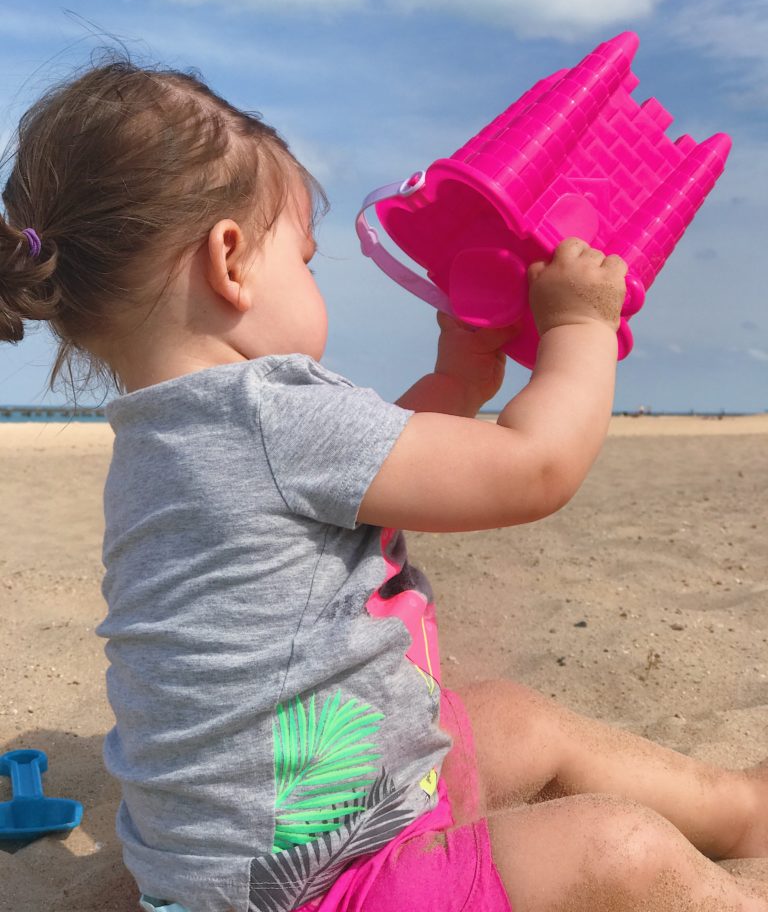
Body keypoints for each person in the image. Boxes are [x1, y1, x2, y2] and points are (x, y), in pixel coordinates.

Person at [0, 59, 766, 912]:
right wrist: (580, 324)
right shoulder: (270, 414)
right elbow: (535, 468)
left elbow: (369, 476)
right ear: (230, 262)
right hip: (324, 884)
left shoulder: (169, 435)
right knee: (617, 850)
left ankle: (742, 814)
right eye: (307, 258)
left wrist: (459, 382)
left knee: (511, 718)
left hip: (249, 859)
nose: (315, 277)